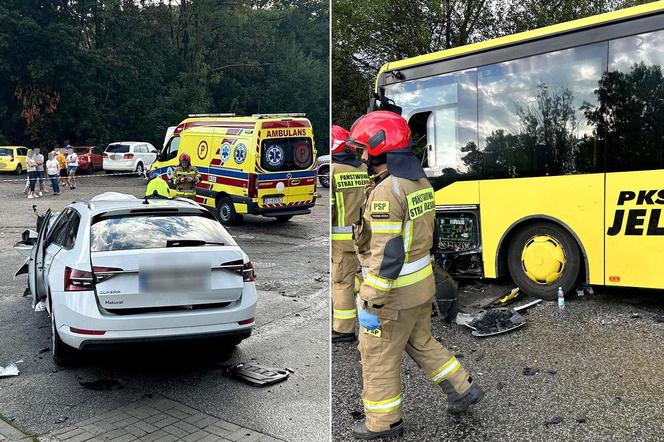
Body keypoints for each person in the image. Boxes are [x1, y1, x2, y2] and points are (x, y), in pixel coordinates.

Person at [348, 111, 483, 439]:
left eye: (365, 148)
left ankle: (383, 424)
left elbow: (388, 254)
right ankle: (462, 388)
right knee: (421, 341)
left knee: (377, 355)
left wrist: (370, 301)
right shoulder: (419, 182)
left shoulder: (386, 191)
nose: (363, 155)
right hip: (421, 287)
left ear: (381, 146)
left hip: (392, 296)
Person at [331, 125, 368, 343]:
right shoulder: (362, 167)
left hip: (340, 239)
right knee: (363, 278)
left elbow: (333, 209)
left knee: (342, 282)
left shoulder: (335, 170)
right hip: (362, 236)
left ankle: (343, 329)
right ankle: (372, 321)